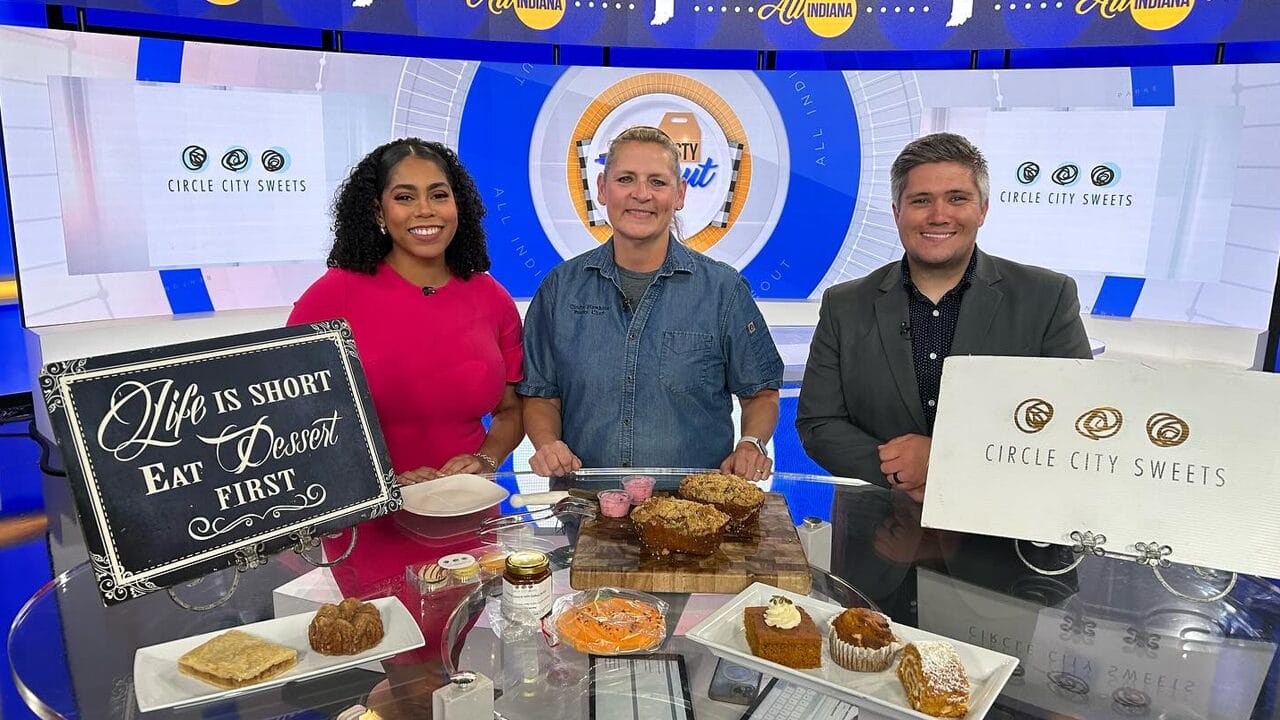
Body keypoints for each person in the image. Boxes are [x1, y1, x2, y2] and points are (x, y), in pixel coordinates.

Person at [796, 132, 1091, 502]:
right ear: (896, 212)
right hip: (880, 533)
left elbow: (1074, 423)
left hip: (1008, 532)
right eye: (921, 201)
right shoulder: (845, 304)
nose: (939, 216)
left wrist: (944, 460)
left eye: (957, 198)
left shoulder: (1047, 297)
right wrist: (902, 471)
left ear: (982, 209)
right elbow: (819, 424)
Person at [288, 137, 524, 586]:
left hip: (469, 514)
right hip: (372, 523)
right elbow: (298, 423)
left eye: (439, 194)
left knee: (456, 642)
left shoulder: (490, 298)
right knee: (400, 648)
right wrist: (381, 480)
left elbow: (512, 410)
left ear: (459, 206)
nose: (425, 210)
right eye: (404, 197)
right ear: (378, 212)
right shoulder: (329, 298)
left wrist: (487, 458)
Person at [518, 125, 783, 479]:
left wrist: (751, 443)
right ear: (601, 189)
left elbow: (761, 393)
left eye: (657, 182)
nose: (641, 194)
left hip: (694, 515)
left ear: (680, 194)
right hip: (587, 511)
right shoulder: (559, 290)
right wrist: (548, 442)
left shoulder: (724, 291)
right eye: (626, 179)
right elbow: (541, 395)